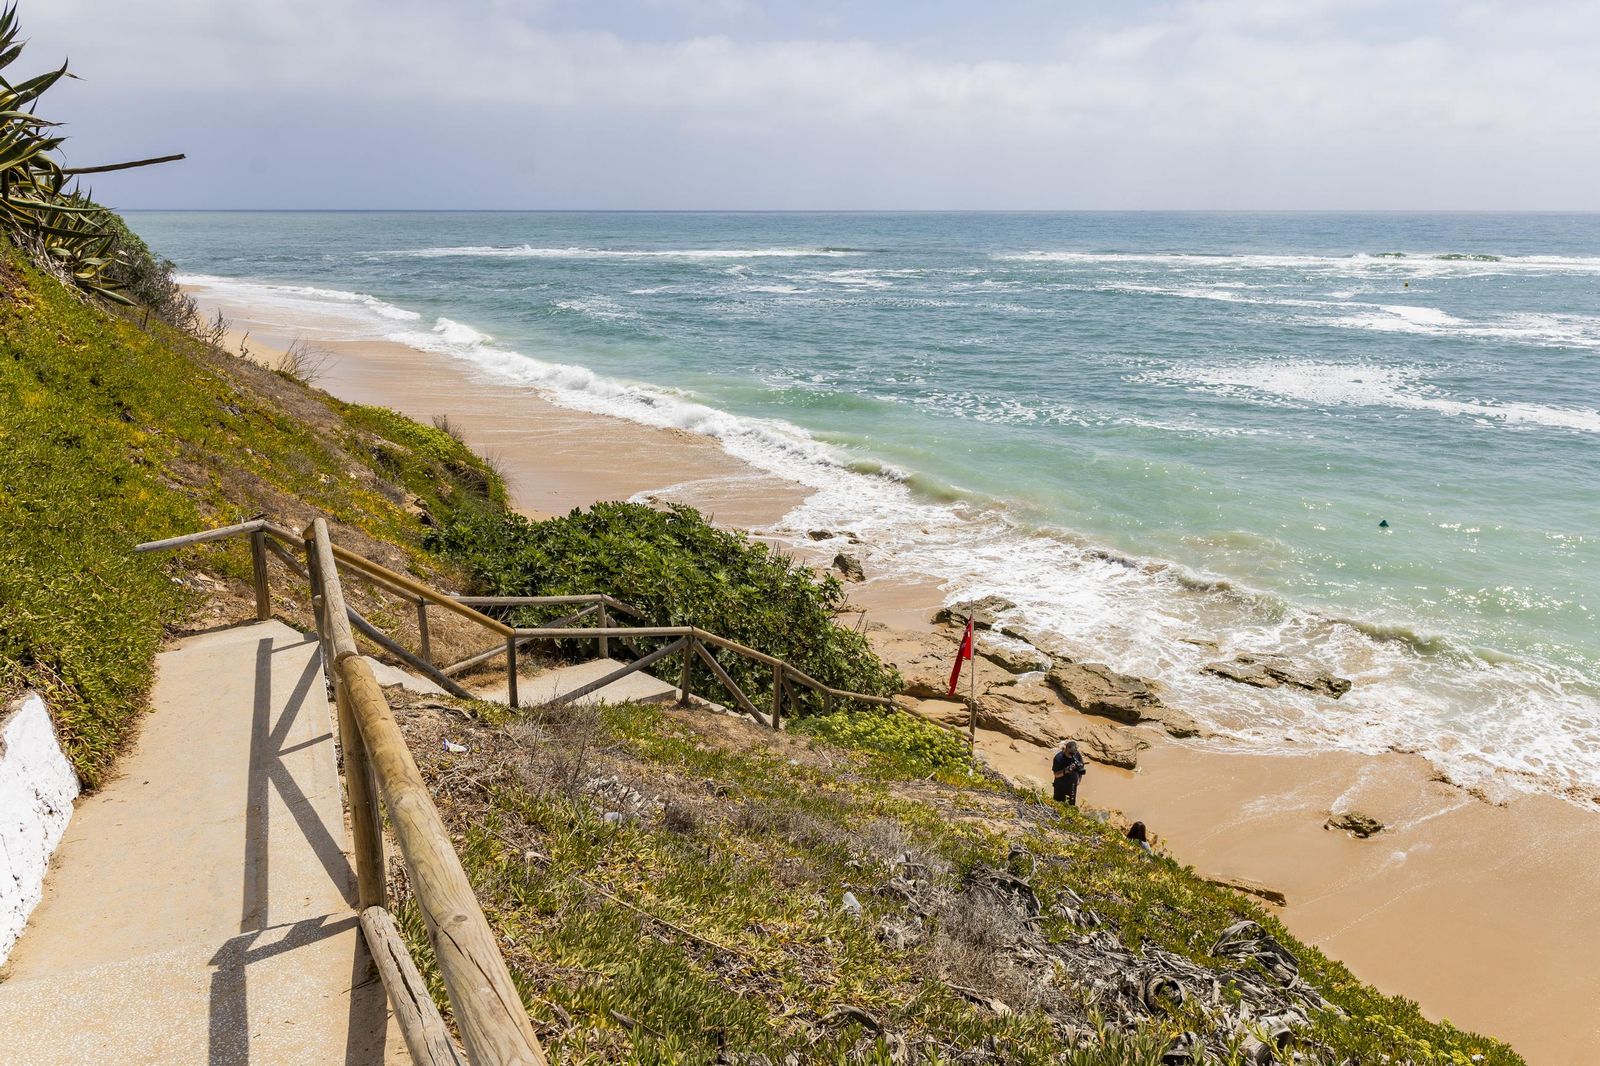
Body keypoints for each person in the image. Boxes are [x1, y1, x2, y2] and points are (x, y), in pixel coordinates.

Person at [1052, 740, 1086, 807]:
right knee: (1058, 804)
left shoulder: (1076, 754)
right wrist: (1066, 770)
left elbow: (1081, 766)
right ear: (1066, 749)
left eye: (1073, 753)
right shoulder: (1058, 758)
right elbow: (1056, 774)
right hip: (1060, 785)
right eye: (1070, 753)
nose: (1072, 755)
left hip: (1073, 784)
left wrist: (1079, 780)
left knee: (1071, 805)